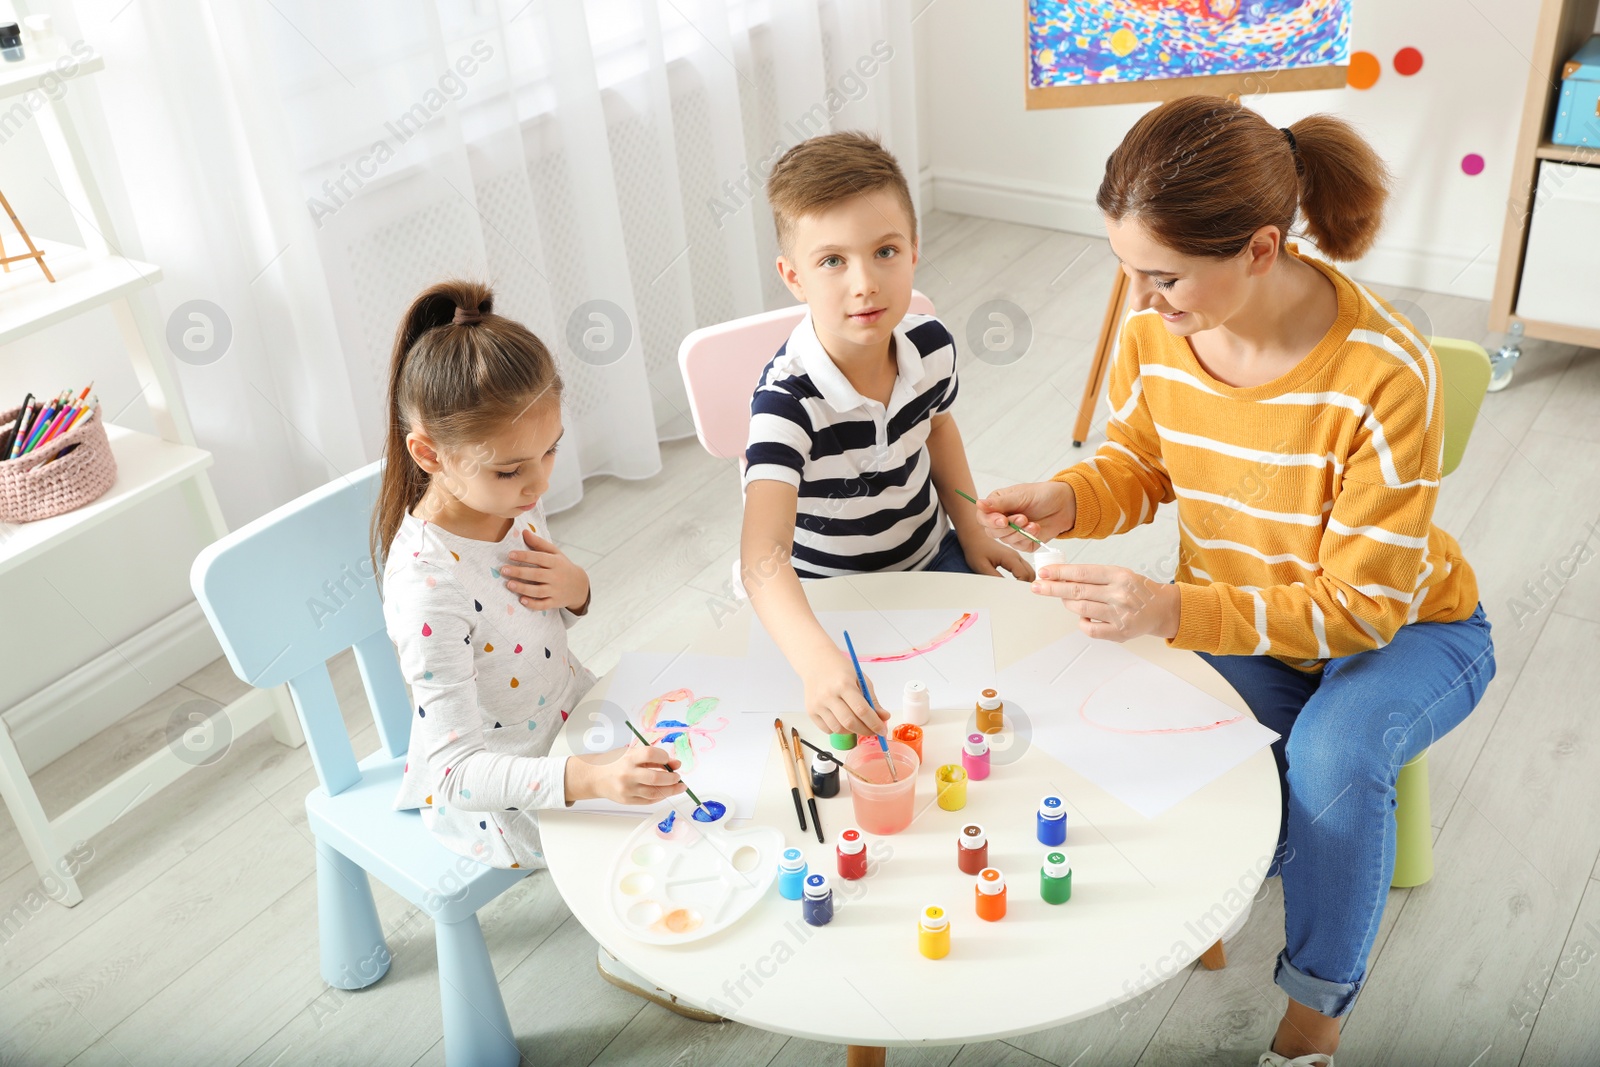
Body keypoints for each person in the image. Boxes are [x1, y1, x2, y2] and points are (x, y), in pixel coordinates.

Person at [978, 97, 1496, 1067]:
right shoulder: (1158, 333)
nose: (1139, 301)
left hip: (1405, 629)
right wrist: (1068, 495)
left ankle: (1312, 1024)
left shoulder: (1384, 371)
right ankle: (1256, 854)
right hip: (1246, 625)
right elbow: (1141, 460)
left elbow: (1364, 605)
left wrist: (1172, 609)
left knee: (1334, 763)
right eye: (1126, 269)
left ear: (1260, 249)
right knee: (1131, 729)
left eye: (1162, 276)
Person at [372, 279, 713, 1020]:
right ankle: (631, 949)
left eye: (551, 451)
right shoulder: (427, 586)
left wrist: (577, 585)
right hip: (506, 790)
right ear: (429, 453)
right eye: (512, 469)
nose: (539, 482)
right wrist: (588, 781)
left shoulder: (505, 502)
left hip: (570, 716)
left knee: (705, 759)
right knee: (655, 809)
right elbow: (455, 772)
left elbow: (542, 624)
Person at [741, 131, 1033, 737]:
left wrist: (971, 525)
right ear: (793, 276)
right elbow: (761, 560)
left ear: (915, 250)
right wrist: (818, 662)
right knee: (860, 734)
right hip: (829, 598)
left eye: (885, 251)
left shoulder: (931, 344)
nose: (865, 283)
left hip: (931, 556)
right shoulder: (784, 402)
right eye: (832, 261)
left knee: (1002, 695)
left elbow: (939, 428)